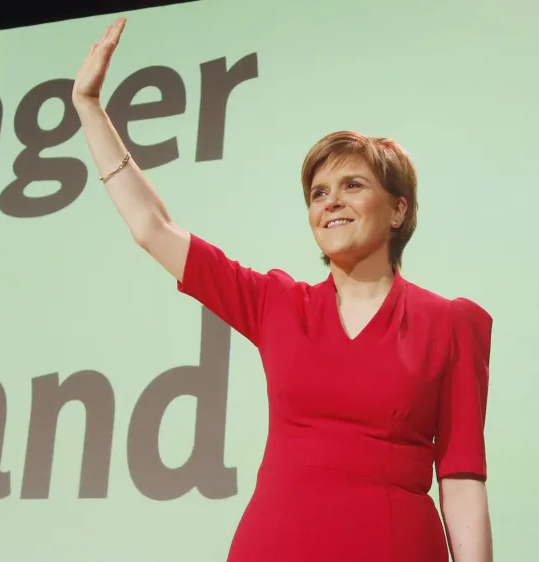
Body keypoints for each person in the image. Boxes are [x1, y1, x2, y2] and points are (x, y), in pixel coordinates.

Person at [72, 17, 494, 562]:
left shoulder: (451, 323)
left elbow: (461, 480)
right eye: (318, 192)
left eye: (353, 185)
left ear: (399, 209)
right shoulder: (277, 304)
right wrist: (88, 105)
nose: (330, 202)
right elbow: (153, 228)